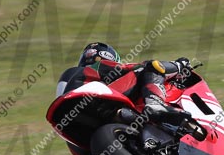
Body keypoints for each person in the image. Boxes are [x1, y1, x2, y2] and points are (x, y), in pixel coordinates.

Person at [57, 42, 191, 123]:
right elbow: (137, 67)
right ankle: (154, 103)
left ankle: (128, 118)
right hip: (93, 102)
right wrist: (180, 65)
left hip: (70, 122)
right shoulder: (99, 67)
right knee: (150, 66)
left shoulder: (69, 75)